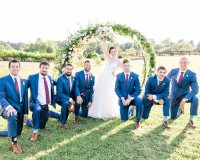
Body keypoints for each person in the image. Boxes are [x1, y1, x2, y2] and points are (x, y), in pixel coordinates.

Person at [88, 38, 124, 120]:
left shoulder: (118, 61)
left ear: (117, 52)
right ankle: (98, 111)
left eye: (114, 51)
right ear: (110, 53)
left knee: (109, 94)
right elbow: (103, 48)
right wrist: (104, 40)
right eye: (112, 52)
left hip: (111, 79)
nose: (113, 53)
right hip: (102, 77)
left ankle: (108, 111)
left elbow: (124, 70)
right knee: (100, 93)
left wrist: (117, 75)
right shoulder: (108, 58)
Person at [26, 61, 58, 142]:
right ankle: (35, 132)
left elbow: (56, 83)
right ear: (39, 68)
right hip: (35, 103)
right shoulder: (32, 77)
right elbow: (24, 87)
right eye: (43, 68)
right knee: (37, 109)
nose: (44, 69)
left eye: (46, 68)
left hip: (45, 106)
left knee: (42, 126)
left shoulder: (50, 77)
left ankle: (29, 121)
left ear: (48, 69)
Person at [0, 59, 28, 154]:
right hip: (7, 109)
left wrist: (25, 113)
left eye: (17, 66)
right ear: (9, 68)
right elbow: (1, 97)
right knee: (12, 115)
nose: (15, 68)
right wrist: (9, 107)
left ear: (19, 68)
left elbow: (25, 99)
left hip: (20, 110)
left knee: (17, 132)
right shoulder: (2, 80)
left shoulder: (24, 81)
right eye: (13, 66)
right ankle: (14, 143)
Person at [167, 56, 199, 128]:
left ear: (188, 63)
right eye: (181, 62)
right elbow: (165, 81)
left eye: (185, 62)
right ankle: (180, 109)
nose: (183, 64)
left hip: (185, 95)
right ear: (179, 63)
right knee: (173, 117)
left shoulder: (192, 74)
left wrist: (185, 99)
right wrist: (167, 93)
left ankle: (191, 120)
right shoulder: (173, 71)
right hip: (174, 96)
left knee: (196, 99)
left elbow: (195, 89)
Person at [115, 59, 142, 129]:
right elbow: (117, 89)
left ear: (131, 66)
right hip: (123, 99)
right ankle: (132, 109)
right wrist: (122, 98)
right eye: (125, 66)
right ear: (122, 66)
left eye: (128, 65)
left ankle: (138, 121)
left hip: (132, 98)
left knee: (139, 101)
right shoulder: (119, 76)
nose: (126, 67)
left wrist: (130, 98)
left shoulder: (135, 76)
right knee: (124, 119)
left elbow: (138, 90)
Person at [55, 63, 75, 129]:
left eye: (70, 69)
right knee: (65, 103)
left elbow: (73, 91)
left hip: (68, 97)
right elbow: (59, 93)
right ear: (64, 69)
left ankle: (62, 117)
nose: (69, 71)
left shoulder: (73, 78)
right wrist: (69, 99)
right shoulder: (60, 79)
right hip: (60, 97)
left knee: (78, 99)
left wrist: (74, 99)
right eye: (67, 69)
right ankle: (62, 123)